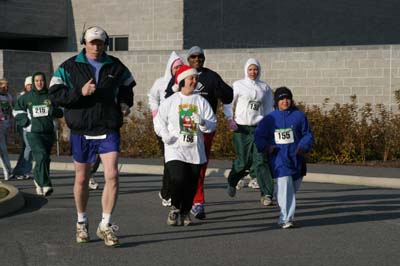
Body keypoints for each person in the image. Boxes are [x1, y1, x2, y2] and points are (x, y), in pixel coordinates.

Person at [48, 26, 136, 247]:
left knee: (113, 174)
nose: (96, 46)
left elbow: (127, 87)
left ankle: (105, 225)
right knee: (81, 178)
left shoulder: (115, 66)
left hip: (108, 127)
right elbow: (55, 95)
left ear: (105, 44)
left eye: (100, 43)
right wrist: (80, 92)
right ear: (84, 44)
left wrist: (125, 103)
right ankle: (81, 221)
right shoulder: (68, 67)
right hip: (81, 130)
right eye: (92, 42)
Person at [154, 65, 216, 226]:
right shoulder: (170, 101)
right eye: (191, 78)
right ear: (182, 81)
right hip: (175, 147)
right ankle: (175, 207)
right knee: (177, 177)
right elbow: (159, 121)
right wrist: (165, 135)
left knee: (192, 182)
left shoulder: (201, 101)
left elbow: (212, 124)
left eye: (196, 78)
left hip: (195, 149)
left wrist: (202, 121)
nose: (194, 81)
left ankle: (185, 211)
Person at [254, 87, 314, 229]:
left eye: (287, 98)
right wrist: (267, 147)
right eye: (281, 99)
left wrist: (303, 146)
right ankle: (286, 218)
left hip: (296, 158)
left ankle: (280, 196)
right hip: (279, 158)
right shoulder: (270, 119)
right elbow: (258, 137)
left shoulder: (299, 116)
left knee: (292, 187)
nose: (285, 101)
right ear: (276, 102)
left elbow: (308, 134)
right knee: (285, 185)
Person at [186, 46, 233, 219]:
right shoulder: (182, 74)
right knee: (182, 166)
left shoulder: (211, 77)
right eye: (193, 57)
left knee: (200, 165)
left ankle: (198, 202)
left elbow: (228, 96)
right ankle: (182, 198)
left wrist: (219, 90)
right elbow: (168, 96)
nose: (197, 59)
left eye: (200, 57)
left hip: (205, 128)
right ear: (188, 59)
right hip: (184, 128)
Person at [225, 58, 275, 206]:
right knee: (243, 162)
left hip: (258, 128)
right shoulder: (238, 85)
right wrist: (230, 119)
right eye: (250, 69)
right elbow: (228, 103)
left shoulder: (264, 87)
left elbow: (268, 109)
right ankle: (232, 181)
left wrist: (269, 126)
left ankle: (266, 194)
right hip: (241, 129)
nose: (253, 72)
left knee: (261, 161)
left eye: (256, 69)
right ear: (246, 70)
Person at [13, 72, 63, 196]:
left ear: (45, 81)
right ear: (33, 83)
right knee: (41, 156)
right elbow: (16, 111)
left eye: (41, 80)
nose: (39, 83)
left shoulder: (51, 96)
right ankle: (46, 184)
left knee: (45, 159)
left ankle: (37, 179)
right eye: (36, 81)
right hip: (33, 133)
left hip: (48, 133)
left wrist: (53, 110)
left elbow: (61, 111)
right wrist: (26, 123)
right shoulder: (27, 97)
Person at [148, 51, 184, 207]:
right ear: (170, 68)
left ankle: (173, 192)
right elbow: (152, 97)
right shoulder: (160, 83)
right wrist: (155, 112)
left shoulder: (185, 83)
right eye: (175, 67)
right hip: (163, 126)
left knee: (178, 162)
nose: (177, 70)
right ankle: (166, 193)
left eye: (180, 67)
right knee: (169, 162)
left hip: (179, 128)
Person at [12, 76, 33, 180]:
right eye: (28, 85)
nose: (30, 86)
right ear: (25, 86)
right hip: (24, 125)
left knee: (26, 148)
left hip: (32, 126)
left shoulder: (35, 96)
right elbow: (17, 111)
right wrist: (25, 122)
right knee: (30, 147)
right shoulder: (22, 96)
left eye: (31, 84)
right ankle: (25, 170)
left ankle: (18, 171)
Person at [0, 78, 14, 181]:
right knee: (3, 148)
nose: (6, 88)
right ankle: (7, 171)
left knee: (4, 150)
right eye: (4, 86)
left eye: (7, 86)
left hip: (7, 125)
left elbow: (11, 111)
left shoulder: (9, 97)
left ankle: (8, 170)